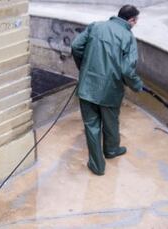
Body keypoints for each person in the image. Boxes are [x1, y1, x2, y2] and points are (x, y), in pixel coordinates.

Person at [71, 5, 144, 175]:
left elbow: (75, 46)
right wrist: (136, 84)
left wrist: (84, 69)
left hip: (87, 87)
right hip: (110, 90)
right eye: (136, 21)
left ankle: (97, 166)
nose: (136, 24)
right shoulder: (128, 37)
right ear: (131, 20)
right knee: (111, 121)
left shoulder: (95, 26)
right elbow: (127, 70)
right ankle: (111, 150)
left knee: (91, 126)